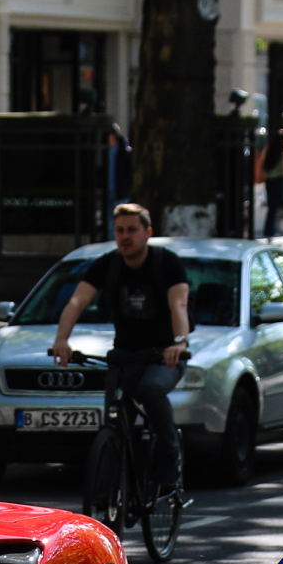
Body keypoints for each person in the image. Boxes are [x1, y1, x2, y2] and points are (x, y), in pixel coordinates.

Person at [47, 202, 189, 499]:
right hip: (124, 355)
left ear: (148, 233)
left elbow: (179, 305)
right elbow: (76, 303)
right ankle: (113, 487)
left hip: (163, 355)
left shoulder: (167, 263)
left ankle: (169, 454)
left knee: (151, 389)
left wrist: (179, 342)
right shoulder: (106, 265)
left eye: (132, 230)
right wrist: (62, 340)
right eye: (120, 230)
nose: (125, 236)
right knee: (114, 418)